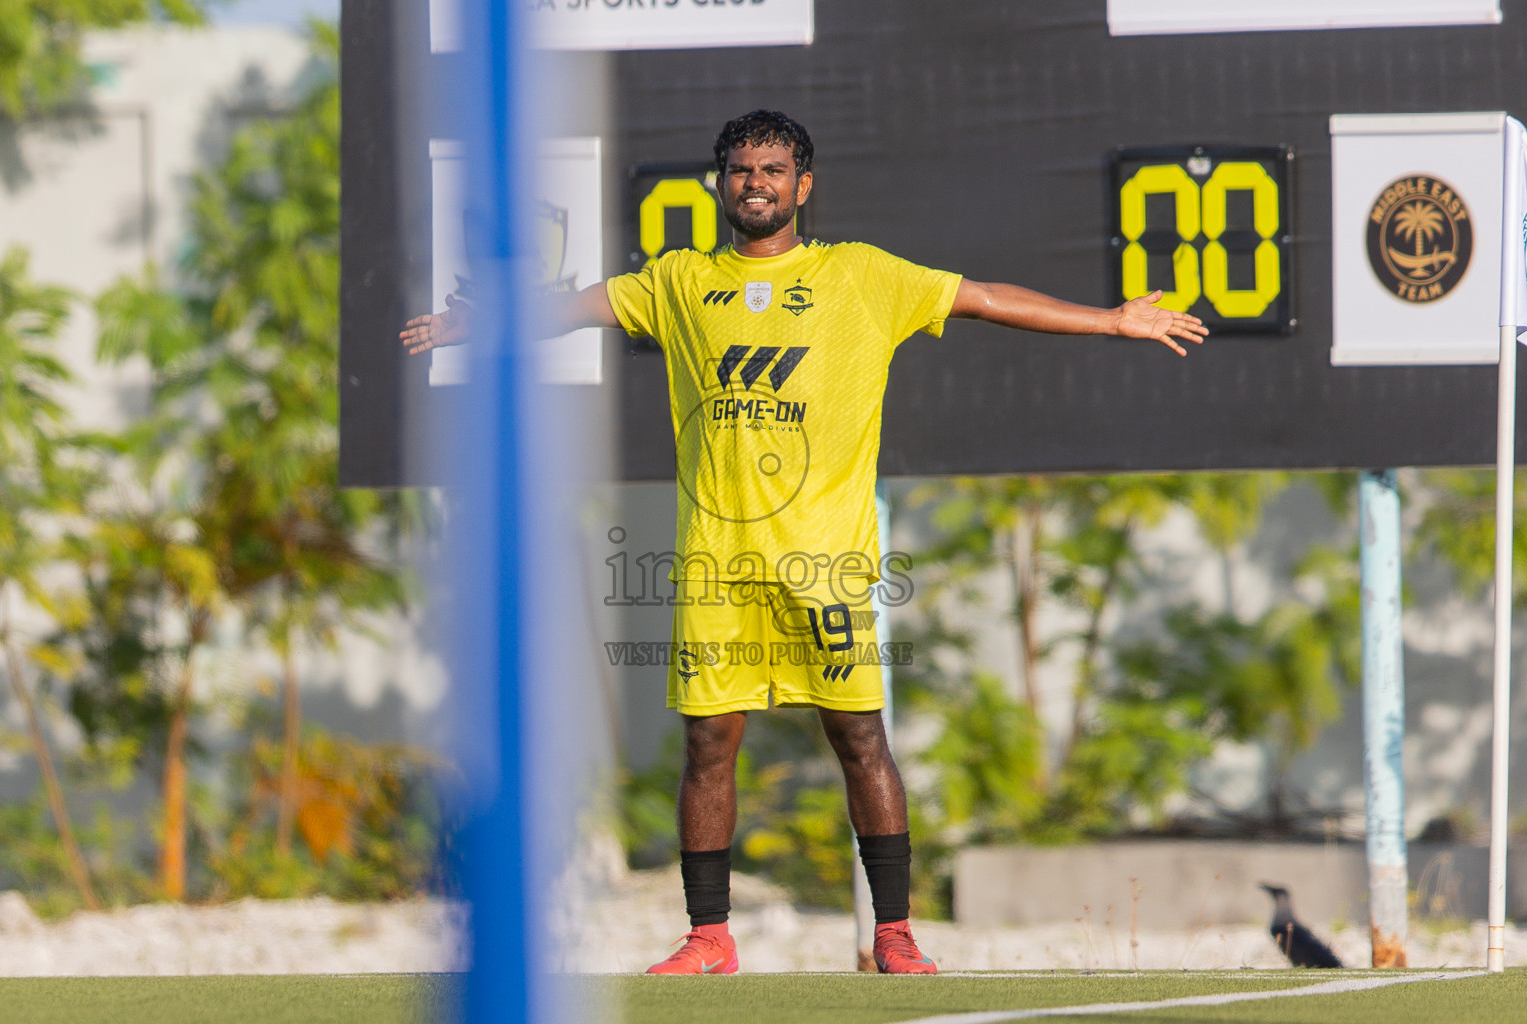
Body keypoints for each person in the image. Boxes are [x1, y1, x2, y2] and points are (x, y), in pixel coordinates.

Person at [402, 110, 1207, 975]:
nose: (757, 183)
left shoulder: (860, 276)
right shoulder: (676, 281)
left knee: (860, 738)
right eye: (742, 170)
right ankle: (709, 936)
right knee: (708, 745)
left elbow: (980, 299)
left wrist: (1111, 319)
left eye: (774, 171)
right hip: (715, 561)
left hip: (823, 562)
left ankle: (893, 934)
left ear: (804, 185)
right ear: (721, 183)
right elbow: (572, 308)